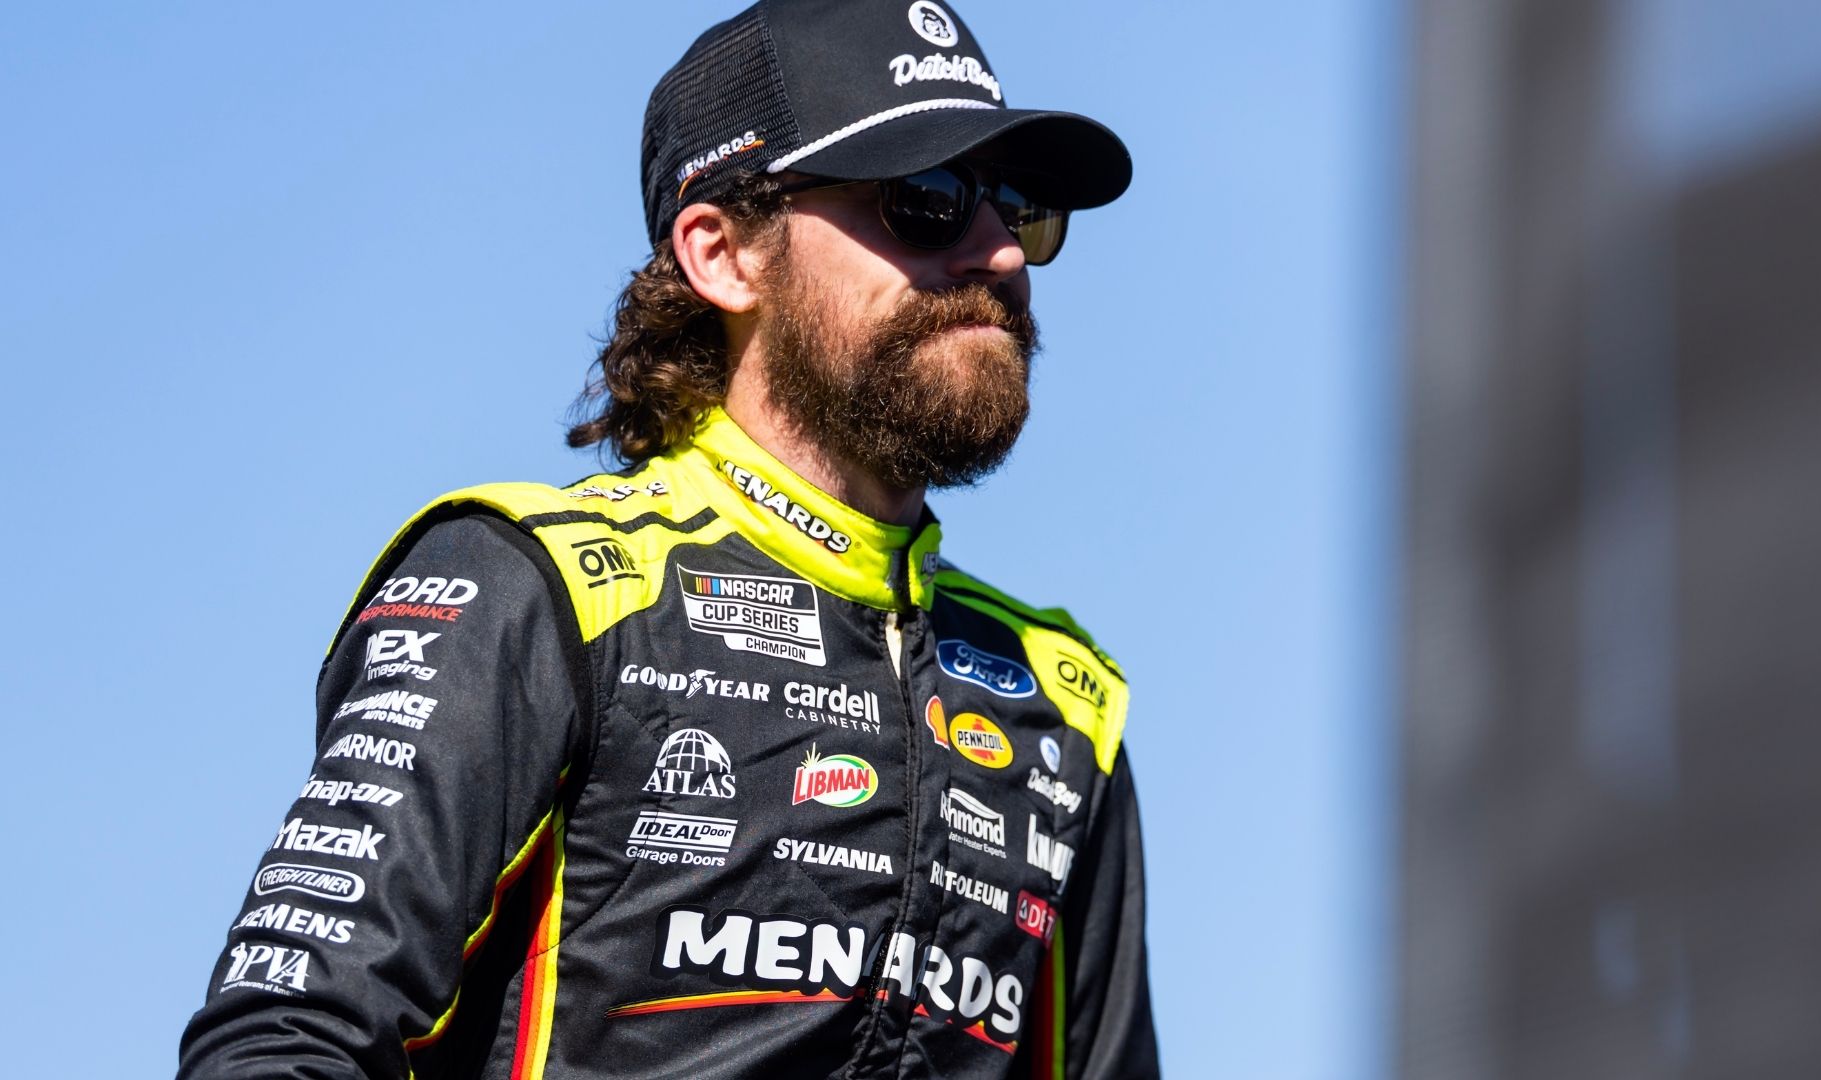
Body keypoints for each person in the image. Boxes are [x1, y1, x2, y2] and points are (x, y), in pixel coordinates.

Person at [177, 1, 1156, 1076]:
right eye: (926, 200)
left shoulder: (1063, 702)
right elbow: (283, 1040)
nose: (1001, 254)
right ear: (724, 254)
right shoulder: (535, 584)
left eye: (1021, 209)